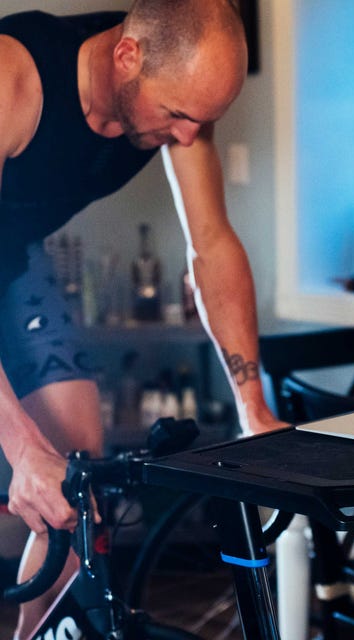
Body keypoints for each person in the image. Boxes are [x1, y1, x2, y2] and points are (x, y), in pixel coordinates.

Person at [0, 1, 285, 636]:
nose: (189, 137)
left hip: (12, 260)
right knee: (35, 460)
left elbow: (211, 245)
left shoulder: (175, 97)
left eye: (201, 120)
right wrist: (20, 448)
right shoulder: (13, 80)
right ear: (127, 57)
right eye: (179, 116)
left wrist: (253, 408)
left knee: (76, 483)